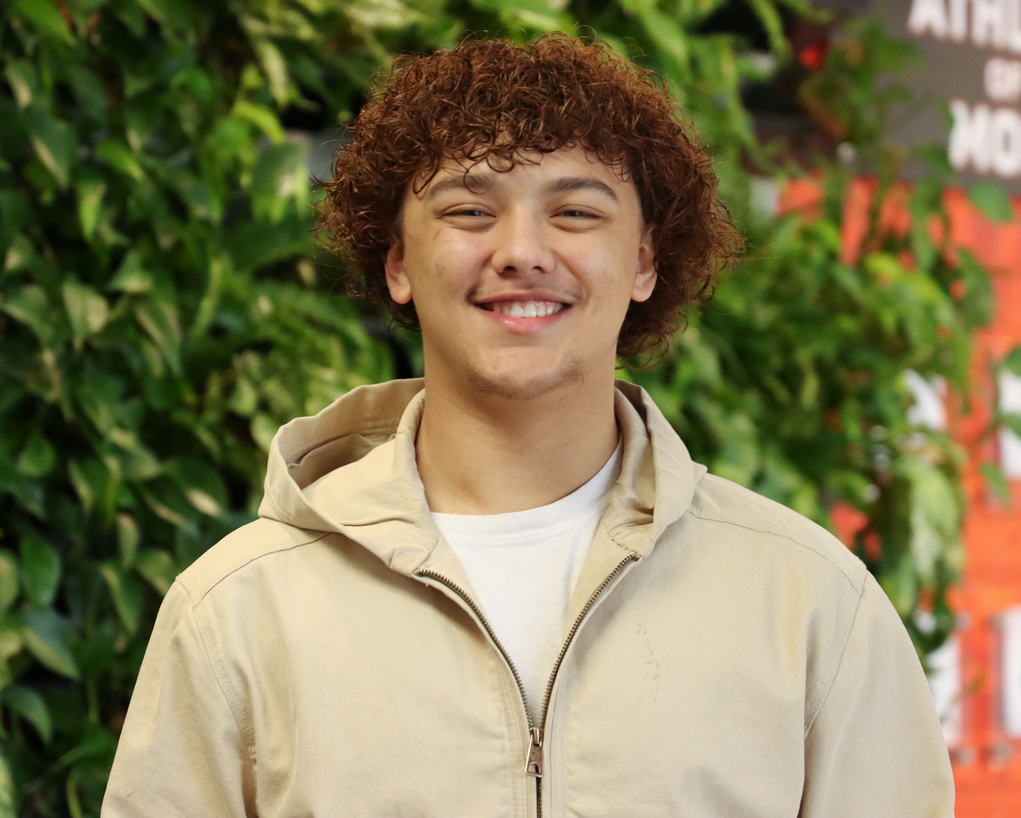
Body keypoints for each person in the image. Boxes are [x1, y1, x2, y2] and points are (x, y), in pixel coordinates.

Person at [102, 33, 954, 817]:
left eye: (576, 212)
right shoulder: (240, 610)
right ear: (398, 261)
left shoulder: (811, 606)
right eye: (469, 210)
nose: (522, 250)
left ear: (646, 261)